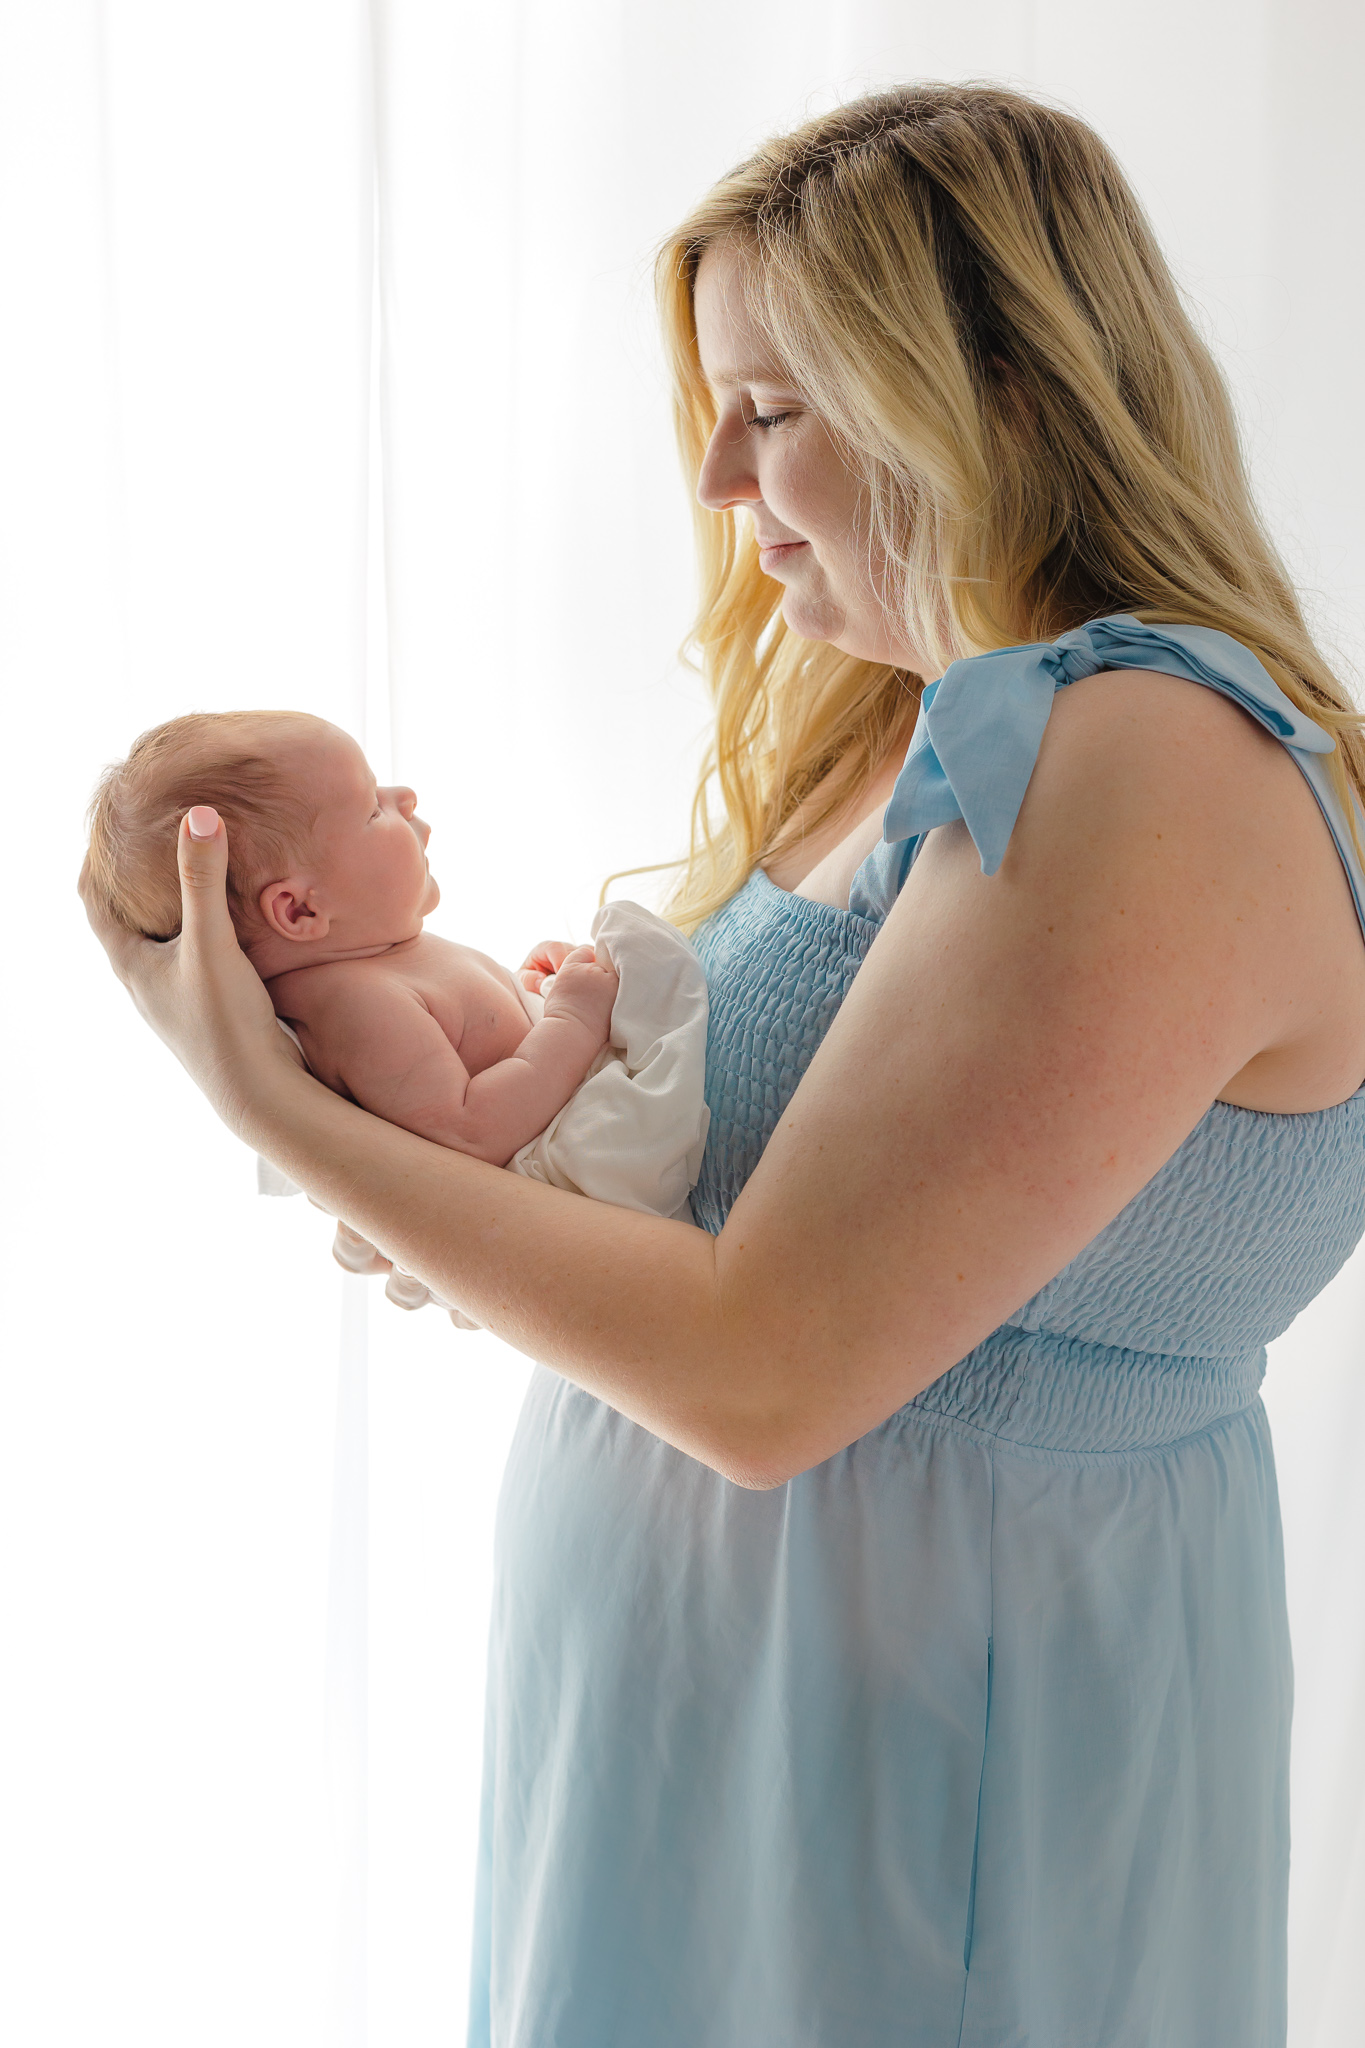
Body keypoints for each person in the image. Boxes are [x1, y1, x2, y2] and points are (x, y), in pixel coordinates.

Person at [81, 80, 1365, 2048]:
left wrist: (268, 1111)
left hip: (912, 1770)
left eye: (768, 407)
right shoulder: (915, 722)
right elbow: (773, 1246)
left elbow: (767, 1374)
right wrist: (470, 1189)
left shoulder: (1140, 753)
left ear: (989, 391)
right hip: (725, 1727)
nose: (712, 479)